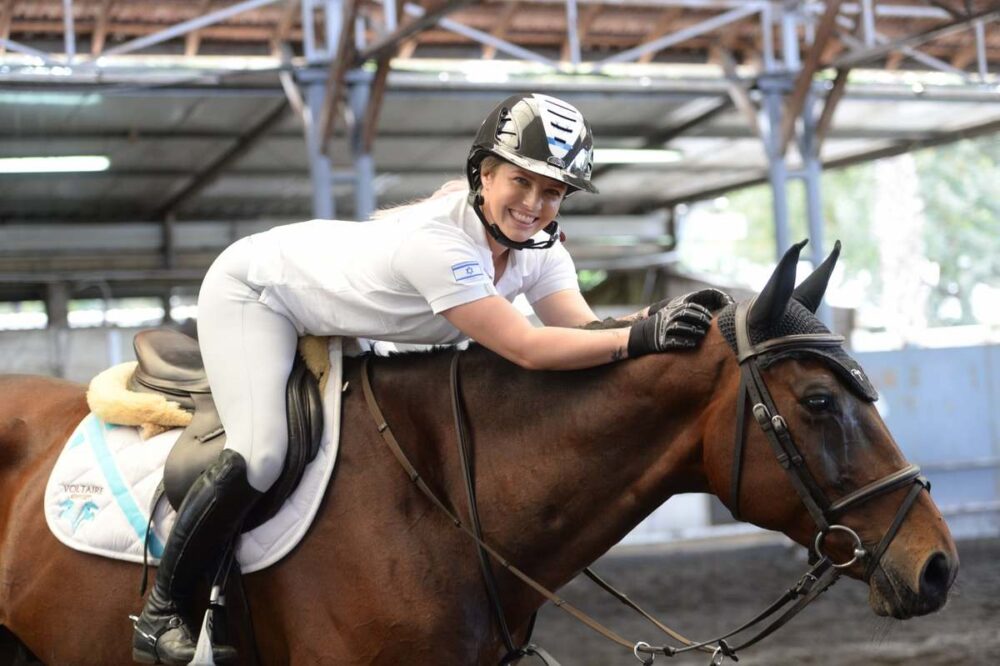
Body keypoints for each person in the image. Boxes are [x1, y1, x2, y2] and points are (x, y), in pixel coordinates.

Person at [130, 92, 717, 664]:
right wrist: (640, 336)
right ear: (484, 175)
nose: (535, 204)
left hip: (340, 309)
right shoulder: (439, 245)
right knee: (261, 452)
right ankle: (165, 614)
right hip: (258, 293)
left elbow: (584, 330)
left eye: (553, 191)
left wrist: (663, 319)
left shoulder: (541, 249)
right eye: (521, 182)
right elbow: (529, 348)